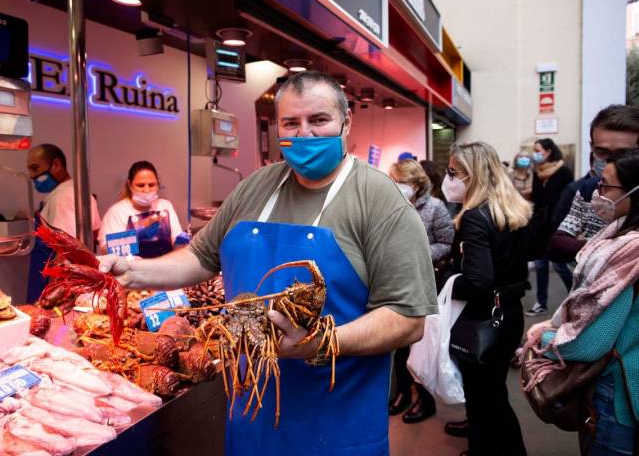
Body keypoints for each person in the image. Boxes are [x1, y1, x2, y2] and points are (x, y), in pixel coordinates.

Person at [98, 71, 437, 455]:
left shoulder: (379, 199)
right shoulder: (255, 187)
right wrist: (135, 270)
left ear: (346, 121)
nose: (305, 133)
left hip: (336, 428)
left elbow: (407, 318)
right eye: (291, 122)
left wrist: (318, 343)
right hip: (251, 421)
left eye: (319, 120)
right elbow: (200, 257)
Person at [525, 149, 639, 456]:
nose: (598, 194)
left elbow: (590, 343)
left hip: (618, 397)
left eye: (606, 186)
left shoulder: (629, 253)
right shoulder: (617, 233)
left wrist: (544, 337)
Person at [443, 141, 532, 456]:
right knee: (492, 395)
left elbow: (478, 281)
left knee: (484, 397)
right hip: (508, 313)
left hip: (484, 318)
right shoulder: (512, 208)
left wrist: (446, 284)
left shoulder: (475, 217)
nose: (448, 179)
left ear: (472, 175)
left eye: (453, 172)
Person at [388, 159, 455, 423]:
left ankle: (425, 401)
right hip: (396, 283)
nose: (396, 186)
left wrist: (418, 254)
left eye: (401, 181)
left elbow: (447, 243)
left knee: (421, 344)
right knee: (399, 344)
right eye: (393, 180)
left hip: (425, 283)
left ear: (416, 183)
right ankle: (402, 393)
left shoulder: (436, 208)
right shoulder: (390, 204)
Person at [547, 105, 639, 263]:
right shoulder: (588, 189)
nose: (610, 162)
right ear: (592, 148)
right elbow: (557, 245)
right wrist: (607, 249)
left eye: (622, 154)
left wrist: (582, 244)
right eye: (602, 152)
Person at [25, 143, 101, 303]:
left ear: (57, 165)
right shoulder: (81, 191)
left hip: (54, 282)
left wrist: (54, 294)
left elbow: (66, 251)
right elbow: (96, 233)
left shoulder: (61, 197)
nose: (32, 176)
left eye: (35, 168)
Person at [525, 138, 575, 316]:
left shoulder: (564, 173)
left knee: (560, 266)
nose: (535, 153)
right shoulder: (537, 173)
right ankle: (541, 302)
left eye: (538, 150)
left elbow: (567, 201)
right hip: (539, 227)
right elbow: (538, 200)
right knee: (540, 265)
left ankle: (576, 297)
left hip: (557, 226)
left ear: (548, 152)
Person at [98, 161, 182, 258]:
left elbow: (176, 245)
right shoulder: (117, 211)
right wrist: (134, 236)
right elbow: (105, 250)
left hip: (164, 267)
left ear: (158, 184)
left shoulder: (165, 206)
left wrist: (181, 242)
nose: (146, 190)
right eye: (140, 185)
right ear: (130, 185)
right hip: (131, 270)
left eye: (151, 185)